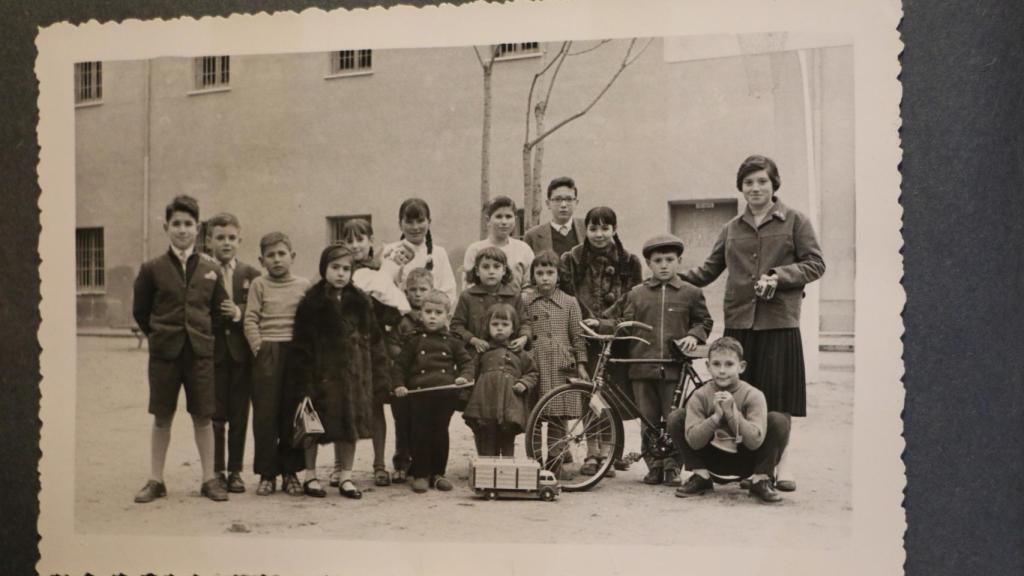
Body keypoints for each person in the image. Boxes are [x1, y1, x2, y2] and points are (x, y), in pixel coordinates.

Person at [679, 155, 825, 492]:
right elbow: (707, 271)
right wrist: (673, 279)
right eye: (749, 182)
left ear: (775, 183)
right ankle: (751, 468)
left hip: (779, 323)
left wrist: (779, 275)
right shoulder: (731, 228)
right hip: (740, 326)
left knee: (777, 401)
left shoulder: (795, 221)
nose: (756, 188)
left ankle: (780, 464)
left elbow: (816, 264)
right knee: (740, 399)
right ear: (741, 187)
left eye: (762, 181)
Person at [590, 234, 713, 486]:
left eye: (669, 259)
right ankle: (654, 465)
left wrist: (693, 335)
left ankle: (672, 466)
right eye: (658, 260)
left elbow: (703, 321)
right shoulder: (637, 294)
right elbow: (620, 323)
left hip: (673, 368)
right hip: (641, 366)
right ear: (649, 263)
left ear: (679, 261)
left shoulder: (691, 293)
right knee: (647, 419)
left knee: (673, 418)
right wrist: (600, 324)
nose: (664, 265)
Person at [132, 195, 231, 503]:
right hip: (165, 355)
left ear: (197, 228)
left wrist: (201, 336)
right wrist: (161, 335)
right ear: (166, 227)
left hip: (200, 354)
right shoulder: (152, 269)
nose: (182, 230)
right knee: (162, 416)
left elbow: (218, 312)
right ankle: (156, 480)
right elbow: (141, 311)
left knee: (203, 416)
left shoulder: (211, 269)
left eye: (188, 224)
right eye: (176, 224)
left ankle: (209, 479)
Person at [290, 245, 392, 499]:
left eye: (346, 269)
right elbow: (301, 346)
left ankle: (346, 475)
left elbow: (375, 341)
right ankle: (310, 475)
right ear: (324, 269)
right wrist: (304, 381)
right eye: (335, 268)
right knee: (313, 426)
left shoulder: (360, 301)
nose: (340, 274)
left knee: (349, 426)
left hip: (354, 377)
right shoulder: (311, 303)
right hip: (321, 378)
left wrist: (378, 377)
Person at [559, 206, 643, 474]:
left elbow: (633, 298)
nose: (599, 234)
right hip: (584, 335)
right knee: (588, 393)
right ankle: (591, 454)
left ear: (614, 229)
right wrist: (585, 321)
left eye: (605, 228)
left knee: (610, 396)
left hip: (615, 337)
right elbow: (567, 296)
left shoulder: (629, 261)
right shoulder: (572, 258)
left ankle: (607, 452)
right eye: (593, 228)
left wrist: (607, 323)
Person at [667, 336, 791, 503]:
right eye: (716, 364)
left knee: (780, 420)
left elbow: (754, 442)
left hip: (746, 460)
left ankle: (760, 479)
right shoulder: (700, 395)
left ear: (741, 367)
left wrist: (733, 414)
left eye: (729, 364)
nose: (722, 371)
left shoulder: (753, 395)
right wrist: (716, 417)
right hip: (712, 459)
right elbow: (694, 442)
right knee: (676, 417)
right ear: (708, 366)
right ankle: (701, 476)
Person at [338, 218, 412, 488]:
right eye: (349, 240)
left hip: (373, 345)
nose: (355, 245)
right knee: (344, 403)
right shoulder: (341, 271)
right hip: (347, 346)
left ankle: (379, 464)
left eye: (360, 239)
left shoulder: (381, 270)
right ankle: (340, 466)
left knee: (377, 404)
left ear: (370, 240)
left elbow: (394, 308)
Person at [243, 231, 310, 496]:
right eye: (271, 255)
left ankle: (290, 473)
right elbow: (250, 319)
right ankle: (267, 474)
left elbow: (308, 320)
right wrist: (259, 347)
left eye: (282, 254)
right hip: (268, 352)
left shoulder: (303, 285)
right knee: (265, 416)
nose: (277, 260)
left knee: (291, 415)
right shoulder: (259, 285)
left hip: (294, 353)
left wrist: (304, 351)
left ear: (292, 257)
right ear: (262, 260)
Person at [391, 289, 475, 494]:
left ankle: (438, 473)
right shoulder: (413, 340)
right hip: (418, 395)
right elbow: (399, 366)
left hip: (444, 395)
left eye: (438, 313)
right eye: (428, 312)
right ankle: (420, 473)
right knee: (419, 433)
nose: (432, 317)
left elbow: (467, 362)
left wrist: (464, 377)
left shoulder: (454, 341)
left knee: (440, 433)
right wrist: (399, 385)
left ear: (447, 316)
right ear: (421, 314)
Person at [206, 213, 262, 494]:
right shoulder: (201, 271)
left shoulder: (251, 275)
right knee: (216, 416)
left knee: (240, 415)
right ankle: (216, 471)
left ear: (239, 240)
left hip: (241, 356)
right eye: (220, 238)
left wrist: (239, 312)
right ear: (209, 241)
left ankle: (236, 471)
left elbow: (258, 310)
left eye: (231, 238)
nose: (226, 243)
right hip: (213, 355)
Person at [521, 250, 588, 468]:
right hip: (535, 363)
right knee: (536, 415)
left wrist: (581, 364)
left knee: (558, 415)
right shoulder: (526, 301)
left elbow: (578, 337)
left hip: (561, 363)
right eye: (539, 273)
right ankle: (534, 461)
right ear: (533, 276)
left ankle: (555, 461)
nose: (545, 278)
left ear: (559, 275)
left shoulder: (570, 303)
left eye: (550, 272)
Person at [463, 303, 539, 457]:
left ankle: (506, 473)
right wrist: (465, 390)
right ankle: (486, 471)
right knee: (486, 437)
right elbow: (471, 372)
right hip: (485, 402)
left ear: (513, 329)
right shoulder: (483, 352)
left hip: (509, 403)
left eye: (505, 324)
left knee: (507, 438)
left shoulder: (520, 353)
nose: (499, 328)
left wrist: (523, 383)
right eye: (495, 324)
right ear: (488, 327)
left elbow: (532, 373)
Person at [386, 267, 435, 483]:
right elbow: (392, 346)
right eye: (412, 289)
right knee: (403, 421)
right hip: (404, 380)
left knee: (426, 422)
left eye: (423, 289)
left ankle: (424, 462)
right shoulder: (401, 319)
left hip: (427, 380)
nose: (417, 294)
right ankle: (401, 460)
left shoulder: (435, 316)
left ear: (431, 290)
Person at [451, 247, 531, 356]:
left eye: (496, 267)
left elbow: (524, 322)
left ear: (504, 270)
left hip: (507, 355)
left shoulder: (513, 296)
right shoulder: (467, 296)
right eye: (485, 267)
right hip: (475, 355)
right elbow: (456, 326)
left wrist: (524, 337)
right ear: (477, 271)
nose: (491, 271)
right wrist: (473, 340)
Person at [380, 198, 458, 309]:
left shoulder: (439, 253)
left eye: (420, 221)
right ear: (400, 224)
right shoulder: (390, 251)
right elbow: (384, 290)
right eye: (409, 222)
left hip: (433, 318)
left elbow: (449, 292)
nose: (415, 227)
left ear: (429, 222)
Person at [463, 196, 535, 290]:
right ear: (488, 220)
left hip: (517, 303)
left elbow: (530, 286)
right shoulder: (475, 249)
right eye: (498, 216)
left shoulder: (524, 249)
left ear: (515, 219)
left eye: (508, 217)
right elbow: (469, 286)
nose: (504, 222)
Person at [523, 177, 586, 257]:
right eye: (557, 199)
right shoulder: (532, 236)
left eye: (569, 199)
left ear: (576, 203)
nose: (563, 205)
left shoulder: (587, 229)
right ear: (548, 203)